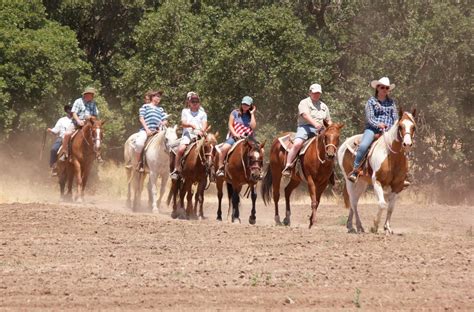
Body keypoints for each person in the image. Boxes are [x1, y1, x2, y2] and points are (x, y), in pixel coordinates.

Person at [347, 76, 401, 183]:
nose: (384, 90)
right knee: (363, 146)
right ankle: (355, 170)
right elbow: (370, 118)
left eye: (386, 88)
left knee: (403, 145)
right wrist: (379, 125)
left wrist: (391, 128)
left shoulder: (392, 103)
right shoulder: (371, 102)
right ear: (377, 88)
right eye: (382, 87)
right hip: (373, 129)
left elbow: (395, 118)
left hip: (389, 131)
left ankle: (402, 174)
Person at [281, 83, 331, 176]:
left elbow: (328, 120)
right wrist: (315, 124)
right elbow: (305, 115)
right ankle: (288, 166)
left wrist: (332, 128)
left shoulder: (324, 106)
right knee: (297, 144)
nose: (316, 95)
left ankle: (331, 170)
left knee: (330, 145)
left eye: (318, 93)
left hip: (321, 130)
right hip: (305, 127)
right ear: (310, 93)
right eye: (315, 93)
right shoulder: (304, 102)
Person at [170, 91, 208, 180]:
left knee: (209, 148)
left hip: (199, 135)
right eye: (193, 102)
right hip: (188, 135)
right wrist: (191, 125)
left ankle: (210, 169)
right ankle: (177, 169)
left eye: (196, 102)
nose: (195, 104)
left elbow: (204, 124)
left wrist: (202, 130)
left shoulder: (203, 113)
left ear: (199, 103)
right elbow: (183, 123)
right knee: (181, 149)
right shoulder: (185, 111)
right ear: (189, 103)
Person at [215, 96, 256, 177]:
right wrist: (235, 134)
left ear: (250, 106)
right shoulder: (235, 112)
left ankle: (258, 170)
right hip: (235, 136)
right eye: (244, 104)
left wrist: (252, 114)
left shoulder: (251, 115)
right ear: (241, 104)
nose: (245, 106)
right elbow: (230, 125)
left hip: (249, 138)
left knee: (260, 150)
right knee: (224, 148)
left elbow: (253, 126)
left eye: (247, 105)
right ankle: (220, 168)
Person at [61, 87, 100, 160]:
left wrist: (90, 117)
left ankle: (97, 153)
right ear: (86, 94)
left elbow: (95, 115)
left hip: (89, 124)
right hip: (76, 122)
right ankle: (64, 152)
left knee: (98, 134)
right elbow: (74, 113)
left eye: (92, 95)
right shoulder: (78, 101)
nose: (92, 96)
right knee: (67, 134)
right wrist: (78, 120)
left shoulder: (93, 103)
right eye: (91, 95)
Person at [133, 90, 168, 172]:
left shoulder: (160, 109)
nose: (159, 98)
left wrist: (163, 123)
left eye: (160, 97)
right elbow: (141, 119)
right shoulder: (145, 107)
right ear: (153, 97)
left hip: (158, 132)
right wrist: (147, 129)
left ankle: (166, 166)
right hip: (146, 130)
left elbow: (165, 120)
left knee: (169, 142)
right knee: (139, 143)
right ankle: (139, 163)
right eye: (157, 96)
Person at [47, 105, 74, 176]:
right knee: (53, 149)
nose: (70, 111)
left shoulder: (76, 120)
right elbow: (56, 130)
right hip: (61, 138)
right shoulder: (61, 120)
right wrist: (51, 130)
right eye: (68, 109)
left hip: (73, 138)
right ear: (66, 110)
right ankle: (54, 167)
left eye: (71, 109)